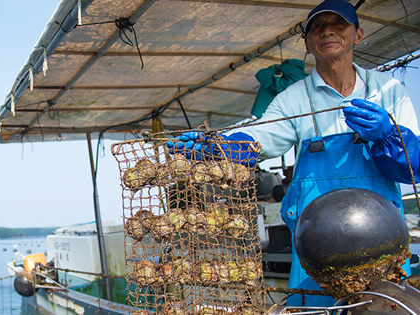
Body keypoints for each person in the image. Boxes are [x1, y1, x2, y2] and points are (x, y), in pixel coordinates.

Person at [167, 0, 420, 306]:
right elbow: (261, 138)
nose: (326, 31)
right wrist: (216, 147)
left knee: (388, 308)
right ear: (308, 44)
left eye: (338, 24)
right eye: (316, 26)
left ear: (358, 33)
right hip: (316, 246)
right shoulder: (295, 99)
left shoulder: (387, 89)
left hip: (383, 242)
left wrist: (387, 136)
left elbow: (410, 169)